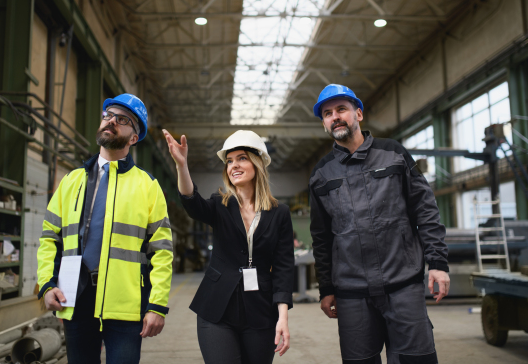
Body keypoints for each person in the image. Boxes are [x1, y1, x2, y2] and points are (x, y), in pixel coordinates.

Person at [308, 84, 450, 364]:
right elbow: (322, 238)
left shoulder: (394, 154)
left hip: (403, 283)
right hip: (352, 292)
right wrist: (326, 289)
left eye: (341, 109)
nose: (335, 116)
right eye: (327, 113)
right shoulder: (321, 175)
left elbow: (426, 210)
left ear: (358, 114)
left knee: (417, 359)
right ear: (324, 123)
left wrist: (438, 263)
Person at [37, 94, 174, 364]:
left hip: (124, 304)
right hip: (75, 296)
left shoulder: (147, 186)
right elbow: (49, 236)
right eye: (108, 115)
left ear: (134, 137)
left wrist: (157, 305)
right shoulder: (71, 181)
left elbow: (162, 250)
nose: (111, 121)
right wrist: (46, 284)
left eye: (122, 120)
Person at [163, 129, 294, 364]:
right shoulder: (219, 204)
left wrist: (282, 317)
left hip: (260, 312)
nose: (233, 165)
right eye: (229, 161)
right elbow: (193, 204)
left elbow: (284, 267)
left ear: (257, 163)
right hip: (217, 309)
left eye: (241, 158)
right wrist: (182, 166)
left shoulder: (280, 213)